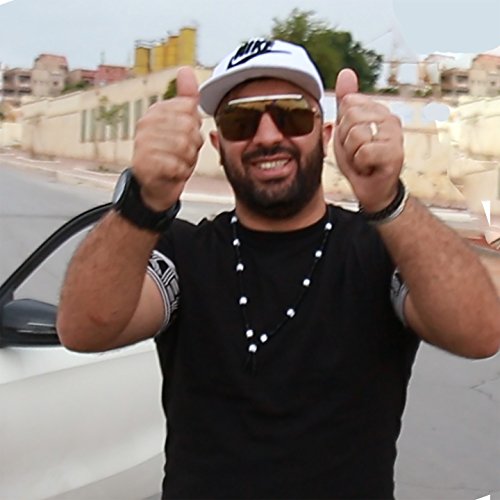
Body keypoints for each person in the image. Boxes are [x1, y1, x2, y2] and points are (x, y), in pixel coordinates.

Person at [57, 39, 500, 499]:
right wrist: (145, 201)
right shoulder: (184, 253)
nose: (267, 136)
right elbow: (85, 328)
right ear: (218, 145)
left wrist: (388, 200)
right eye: (241, 121)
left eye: (291, 115)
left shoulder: (380, 251)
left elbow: (480, 332)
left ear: (324, 135)